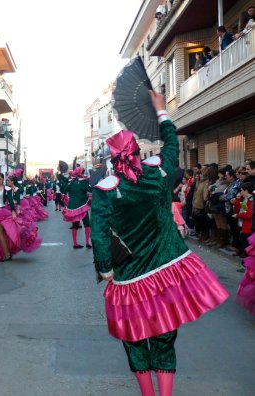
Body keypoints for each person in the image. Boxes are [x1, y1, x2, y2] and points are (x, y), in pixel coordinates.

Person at [91, 91, 229, 396]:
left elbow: (99, 235)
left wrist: (106, 269)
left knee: (136, 340)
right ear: (138, 152)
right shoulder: (159, 172)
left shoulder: (104, 190)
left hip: (131, 278)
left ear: (111, 159)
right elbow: (171, 146)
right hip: (168, 270)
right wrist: (162, 111)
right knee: (165, 335)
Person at [59, 167, 92, 249]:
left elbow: (64, 190)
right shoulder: (84, 182)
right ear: (81, 173)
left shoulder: (72, 182)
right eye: (83, 172)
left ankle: (75, 243)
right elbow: (89, 190)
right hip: (82, 206)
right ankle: (87, 242)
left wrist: (69, 184)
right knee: (87, 223)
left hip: (73, 207)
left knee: (75, 225)